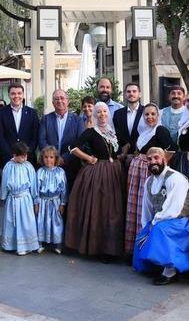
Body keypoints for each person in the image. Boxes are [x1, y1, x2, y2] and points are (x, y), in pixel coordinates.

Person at [65, 102, 125, 260]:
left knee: (114, 210)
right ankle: (99, 248)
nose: (102, 115)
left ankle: (112, 249)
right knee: (101, 209)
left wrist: (124, 155)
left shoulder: (113, 132)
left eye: (105, 111)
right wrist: (88, 158)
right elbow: (72, 147)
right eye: (99, 112)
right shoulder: (91, 132)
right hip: (98, 174)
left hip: (115, 173)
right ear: (94, 115)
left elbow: (120, 150)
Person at [132, 147, 189, 285]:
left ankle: (170, 272)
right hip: (164, 220)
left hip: (185, 221)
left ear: (164, 159)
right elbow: (147, 209)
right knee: (143, 235)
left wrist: (154, 223)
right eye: (149, 159)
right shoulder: (149, 181)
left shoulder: (176, 178)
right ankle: (154, 264)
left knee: (160, 229)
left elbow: (173, 209)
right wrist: (146, 227)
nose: (153, 162)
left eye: (156, 158)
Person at [126, 104, 176, 255]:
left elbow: (172, 149)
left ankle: (149, 250)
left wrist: (160, 167)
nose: (150, 117)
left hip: (150, 172)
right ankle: (135, 248)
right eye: (146, 114)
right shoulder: (143, 132)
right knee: (135, 209)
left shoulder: (160, 130)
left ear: (158, 115)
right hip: (137, 173)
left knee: (147, 209)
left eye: (153, 114)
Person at [0, 84, 39, 205]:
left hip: (27, 161)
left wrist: (26, 155)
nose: (16, 96)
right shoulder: (0, 113)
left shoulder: (32, 113)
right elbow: (0, 136)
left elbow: (35, 137)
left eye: (19, 93)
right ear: (9, 95)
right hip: (9, 160)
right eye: (13, 93)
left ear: (23, 95)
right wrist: (12, 156)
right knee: (11, 196)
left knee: (28, 196)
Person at [39, 89, 84, 192]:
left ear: (68, 101)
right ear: (53, 103)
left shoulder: (78, 120)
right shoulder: (46, 119)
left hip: (71, 165)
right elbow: (42, 140)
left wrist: (64, 158)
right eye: (56, 99)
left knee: (69, 199)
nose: (60, 101)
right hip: (49, 166)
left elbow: (80, 143)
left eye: (62, 98)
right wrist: (52, 158)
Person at [0, 142, 41, 255]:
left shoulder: (28, 166)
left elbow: (33, 183)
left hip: (25, 199)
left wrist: (35, 199)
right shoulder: (8, 166)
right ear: (14, 155)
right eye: (22, 156)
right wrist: (3, 196)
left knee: (26, 221)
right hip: (12, 198)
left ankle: (27, 245)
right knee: (12, 222)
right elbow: (4, 182)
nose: (25, 158)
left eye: (26, 155)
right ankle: (11, 245)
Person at [35, 146, 67, 254]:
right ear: (42, 158)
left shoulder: (60, 172)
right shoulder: (40, 172)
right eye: (46, 157)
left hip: (55, 201)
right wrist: (36, 202)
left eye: (51, 157)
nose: (49, 160)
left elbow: (64, 188)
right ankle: (40, 242)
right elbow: (36, 188)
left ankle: (58, 244)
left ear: (56, 158)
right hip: (43, 201)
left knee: (56, 221)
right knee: (41, 221)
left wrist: (62, 203)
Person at [113, 82, 144, 158]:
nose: (131, 94)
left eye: (134, 91)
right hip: (122, 156)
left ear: (140, 94)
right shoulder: (117, 114)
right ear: (125, 95)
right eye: (128, 91)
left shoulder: (146, 112)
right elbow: (115, 133)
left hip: (140, 155)